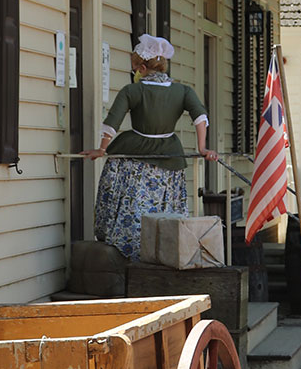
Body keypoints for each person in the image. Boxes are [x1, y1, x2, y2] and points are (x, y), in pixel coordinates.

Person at [84, 34, 218, 259]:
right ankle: (164, 250)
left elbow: (112, 123)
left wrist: (101, 149)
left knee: (132, 204)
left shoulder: (133, 91)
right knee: (164, 207)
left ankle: (128, 250)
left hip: (134, 153)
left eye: (135, 67)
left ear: (142, 67)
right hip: (168, 154)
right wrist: (203, 147)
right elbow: (200, 117)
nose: (134, 71)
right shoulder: (183, 91)